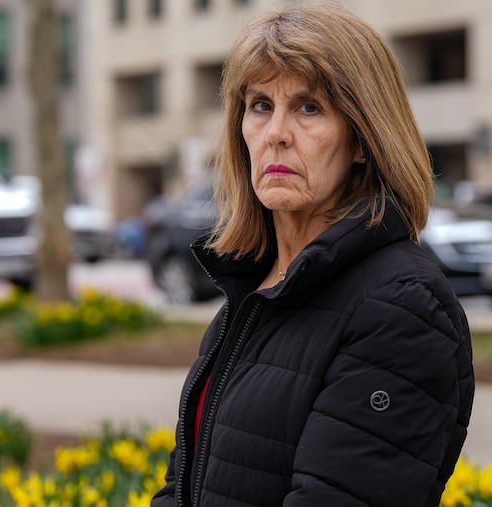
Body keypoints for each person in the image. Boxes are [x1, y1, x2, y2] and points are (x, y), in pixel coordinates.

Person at [151, 2, 474, 506]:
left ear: (363, 140)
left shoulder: (402, 308)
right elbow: (184, 486)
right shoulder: (250, 297)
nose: (275, 133)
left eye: (309, 108)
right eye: (260, 105)